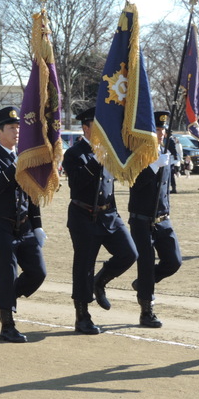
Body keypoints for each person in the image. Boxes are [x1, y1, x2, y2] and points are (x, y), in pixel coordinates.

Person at [62, 107, 138, 334]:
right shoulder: (74, 153)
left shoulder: (108, 150)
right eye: (97, 127)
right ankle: (82, 315)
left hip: (108, 214)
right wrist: (97, 159)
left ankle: (100, 281)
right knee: (84, 265)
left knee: (129, 253)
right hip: (83, 215)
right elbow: (77, 183)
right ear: (86, 128)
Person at [0, 106, 47, 343]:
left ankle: (5, 297)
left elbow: (31, 193)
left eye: (18, 127)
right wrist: (16, 164)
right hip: (0, 225)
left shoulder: (23, 157)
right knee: (8, 272)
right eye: (11, 127)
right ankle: (7, 324)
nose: (17, 131)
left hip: (24, 225)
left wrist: (37, 224)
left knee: (38, 273)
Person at [128, 111, 182, 328]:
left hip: (162, 218)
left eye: (163, 130)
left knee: (173, 261)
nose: (161, 134)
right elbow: (134, 183)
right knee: (146, 263)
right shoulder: (138, 155)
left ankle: (143, 284)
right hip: (141, 219)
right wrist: (152, 167)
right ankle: (146, 310)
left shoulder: (165, 152)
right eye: (157, 130)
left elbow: (165, 190)